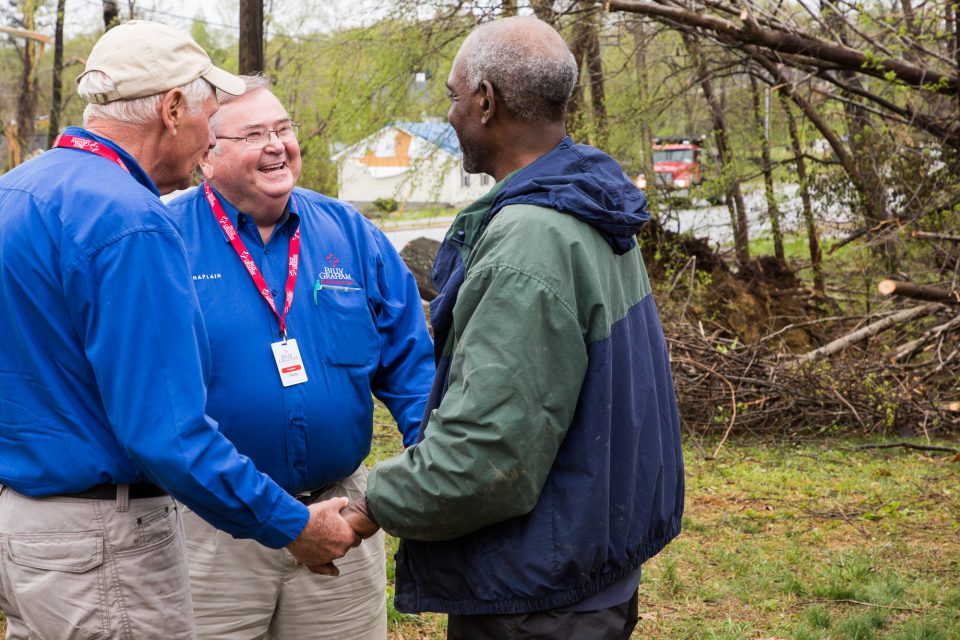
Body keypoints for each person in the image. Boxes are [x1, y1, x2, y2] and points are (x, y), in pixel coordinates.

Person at [0, 21, 357, 640]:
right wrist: (294, 525)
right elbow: (168, 432)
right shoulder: (131, 220)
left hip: (26, 534)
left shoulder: (16, 193)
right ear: (170, 109)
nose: (207, 139)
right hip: (104, 548)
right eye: (208, 116)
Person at [342, 16, 685, 640]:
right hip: (586, 568)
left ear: (485, 100)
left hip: (535, 596)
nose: (448, 114)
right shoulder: (585, 198)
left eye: (452, 95)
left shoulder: (530, 242)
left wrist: (371, 504)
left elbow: (486, 456)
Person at [165, 75, 435, 639]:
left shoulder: (351, 234)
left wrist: (432, 461)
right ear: (207, 157)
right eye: (255, 133)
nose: (276, 144)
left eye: (284, 129)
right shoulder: (164, 238)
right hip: (212, 530)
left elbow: (412, 368)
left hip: (343, 522)